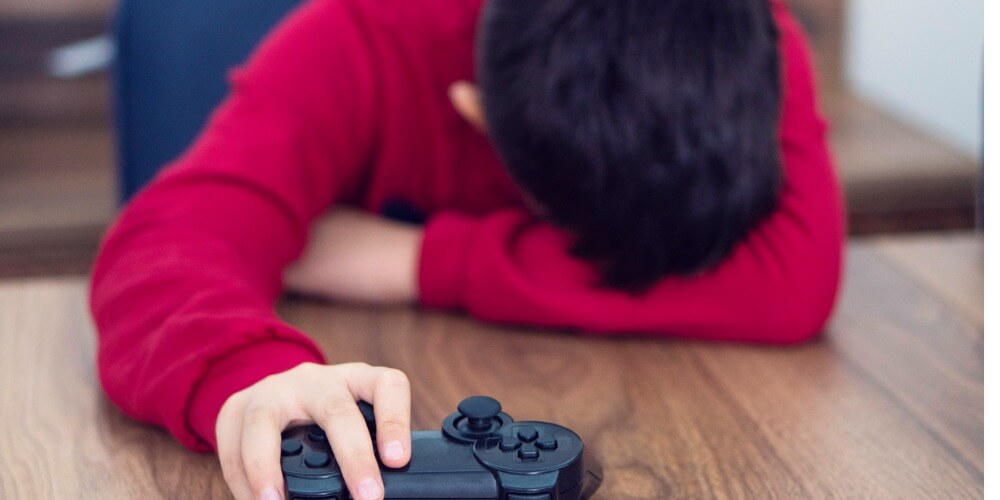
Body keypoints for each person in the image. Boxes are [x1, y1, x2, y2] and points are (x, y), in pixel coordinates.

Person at [89, 0, 843, 498]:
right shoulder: (361, 37)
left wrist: (415, 261)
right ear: (473, 111)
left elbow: (792, 279)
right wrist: (248, 374)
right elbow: (164, 244)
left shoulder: (736, 39)